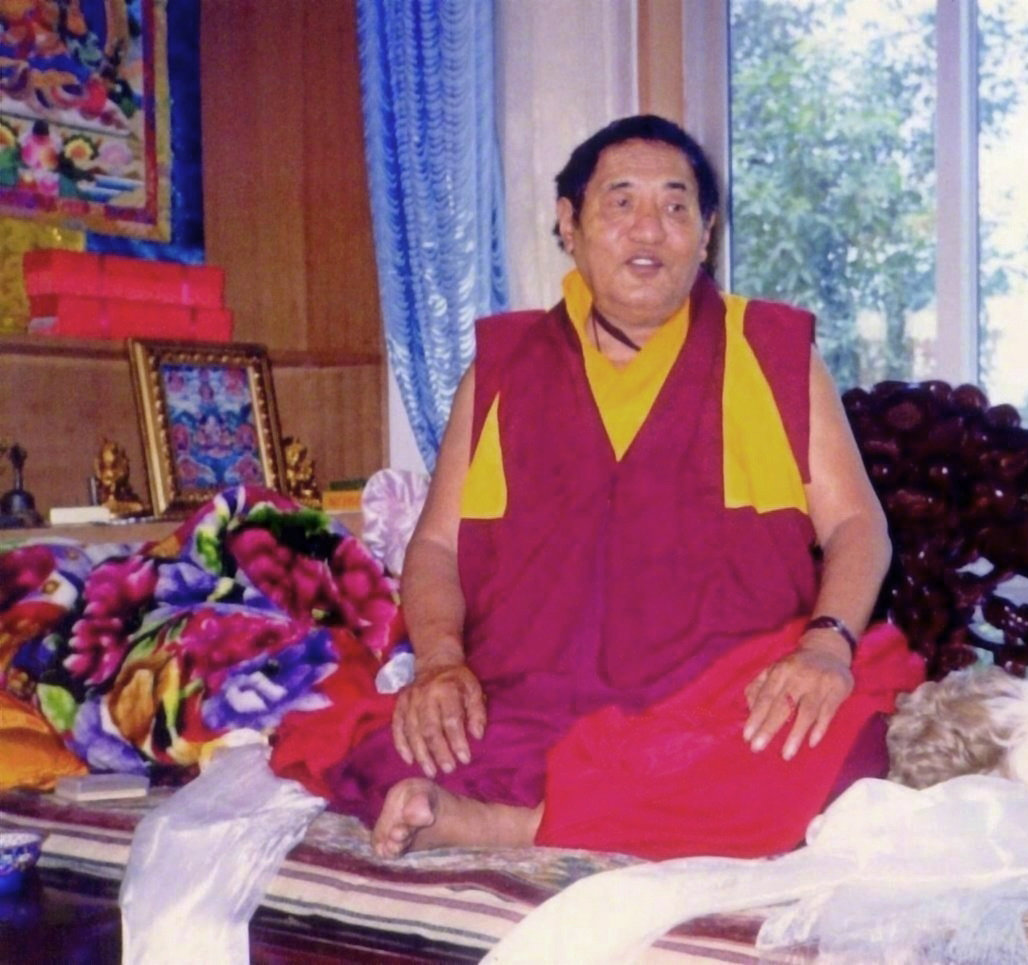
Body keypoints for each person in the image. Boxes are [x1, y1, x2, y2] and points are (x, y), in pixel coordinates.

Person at [317, 115, 924, 861]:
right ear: (569, 223)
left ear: (706, 233)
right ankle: (594, 812)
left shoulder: (770, 354)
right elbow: (438, 545)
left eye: (676, 206)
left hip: (716, 702)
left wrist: (826, 646)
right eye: (622, 201)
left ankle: (505, 824)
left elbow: (858, 525)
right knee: (383, 751)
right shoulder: (505, 367)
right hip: (530, 698)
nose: (650, 228)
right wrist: (441, 664)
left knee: (832, 751)